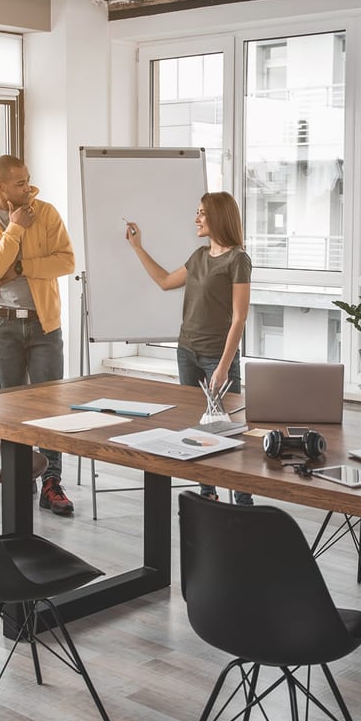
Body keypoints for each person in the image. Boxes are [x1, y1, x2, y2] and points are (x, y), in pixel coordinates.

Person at [125, 191, 253, 505]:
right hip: (187, 352)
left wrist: (223, 366)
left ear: (218, 217)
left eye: (202, 213)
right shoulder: (198, 256)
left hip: (216, 357)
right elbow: (166, 281)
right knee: (197, 427)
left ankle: (243, 497)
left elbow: (239, 319)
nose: (196, 219)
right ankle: (207, 493)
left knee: (229, 429)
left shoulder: (238, 259)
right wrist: (138, 248)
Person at [0, 154, 76, 516]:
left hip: (45, 324)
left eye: (28, 181)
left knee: (50, 409)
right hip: (3, 324)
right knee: (13, 410)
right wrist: (14, 228)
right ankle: (20, 476)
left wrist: (24, 267)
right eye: (20, 183)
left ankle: (51, 482)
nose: (28, 188)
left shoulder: (46, 212)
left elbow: (67, 261)